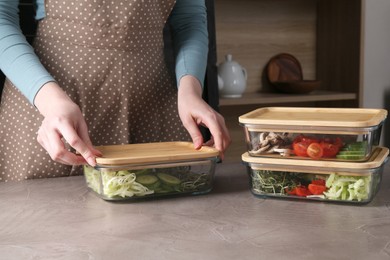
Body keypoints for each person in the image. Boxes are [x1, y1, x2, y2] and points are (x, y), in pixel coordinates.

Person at [0, 0, 231, 182]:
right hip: (50, 110)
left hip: (152, 109)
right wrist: (50, 102)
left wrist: (190, 90)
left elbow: (189, 21)